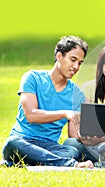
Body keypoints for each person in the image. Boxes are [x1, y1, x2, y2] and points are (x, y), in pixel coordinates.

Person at [1, 36, 93, 168]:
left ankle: (17, 163)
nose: (76, 67)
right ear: (59, 56)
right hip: (23, 141)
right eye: (73, 60)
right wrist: (64, 113)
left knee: (71, 150)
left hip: (49, 147)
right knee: (12, 143)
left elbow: (74, 135)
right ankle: (69, 165)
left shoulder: (77, 94)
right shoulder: (32, 78)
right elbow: (31, 115)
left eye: (80, 63)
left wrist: (101, 137)